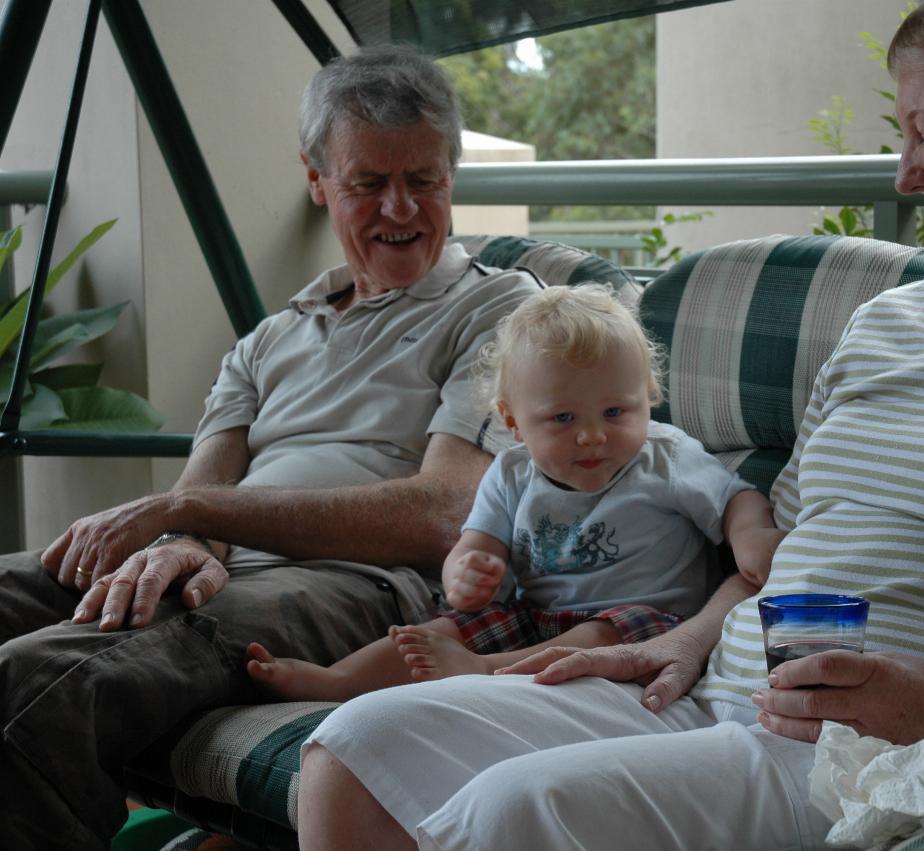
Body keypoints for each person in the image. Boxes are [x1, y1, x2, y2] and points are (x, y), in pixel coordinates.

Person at [297, 2, 924, 849]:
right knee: (352, 748)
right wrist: (678, 641)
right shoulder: (887, 322)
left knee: (520, 808)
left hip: (900, 764)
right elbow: (784, 553)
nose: (903, 175)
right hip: (722, 694)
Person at [0, 45, 545, 850]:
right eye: (368, 183)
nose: (401, 207)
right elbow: (201, 501)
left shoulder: (498, 308)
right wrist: (185, 540)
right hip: (236, 575)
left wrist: (191, 513)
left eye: (424, 179)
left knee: (38, 680)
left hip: (367, 588)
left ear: (451, 178)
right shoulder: (269, 339)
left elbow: (441, 514)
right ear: (317, 179)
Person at [243, 285, 780, 698]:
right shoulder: (510, 473)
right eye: (563, 417)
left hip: (641, 624)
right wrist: (465, 574)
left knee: (603, 633)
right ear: (513, 420)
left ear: (649, 397)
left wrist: (751, 533)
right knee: (442, 628)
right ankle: (337, 682)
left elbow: (735, 498)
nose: (592, 434)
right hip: (532, 617)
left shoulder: (666, 457)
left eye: (616, 411)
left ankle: (483, 671)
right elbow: (477, 545)